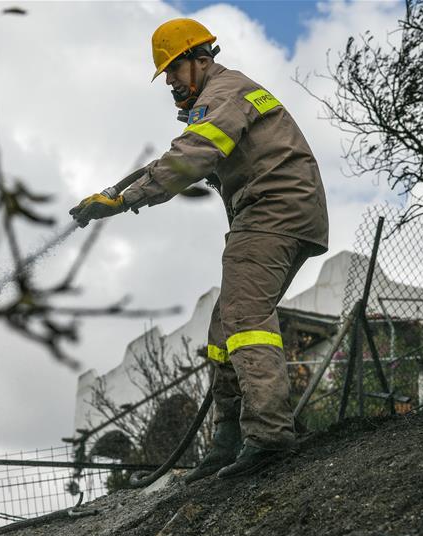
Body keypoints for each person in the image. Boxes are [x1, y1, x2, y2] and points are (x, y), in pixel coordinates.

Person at [70, 18, 329, 480]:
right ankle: (226, 441)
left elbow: (193, 155)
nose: (169, 81)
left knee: (246, 320)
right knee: (221, 330)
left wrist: (125, 199)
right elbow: (180, 153)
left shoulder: (223, 93)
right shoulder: (223, 96)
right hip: (284, 211)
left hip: (272, 211)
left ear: (200, 61)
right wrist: (114, 192)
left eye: (173, 69)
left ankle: (268, 436)